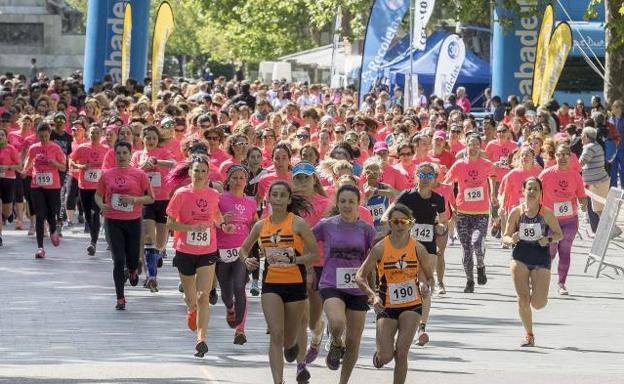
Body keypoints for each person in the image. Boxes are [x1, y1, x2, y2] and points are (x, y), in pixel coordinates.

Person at [239, 181, 320, 384]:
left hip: (295, 284)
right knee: (276, 334)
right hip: (271, 284)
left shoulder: (298, 223)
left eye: (282, 195)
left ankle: (292, 345)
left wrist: (295, 259)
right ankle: (278, 381)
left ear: (288, 199)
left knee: (288, 338)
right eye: (274, 195)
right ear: (269, 199)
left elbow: (315, 254)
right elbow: (243, 249)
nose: (278, 199)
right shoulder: (261, 225)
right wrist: (246, 260)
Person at [355, 203, 432, 384]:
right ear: (389, 224)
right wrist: (372, 295)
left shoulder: (418, 248)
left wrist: (425, 285)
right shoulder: (380, 248)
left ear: (410, 224)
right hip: (386, 305)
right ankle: (379, 358)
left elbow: (428, 276)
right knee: (387, 356)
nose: (399, 225)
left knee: (402, 352)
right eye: (395, 222)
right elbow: (359, 276)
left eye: (403, 221)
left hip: (412, 304)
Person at [166, 155, 232, 357]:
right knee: (191, 297)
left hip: (207, 250)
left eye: (204, 171)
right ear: (190, 172)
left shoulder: (213, 194)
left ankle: (201, 339)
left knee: (204, 296)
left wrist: (223, 224)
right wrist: (190, 227)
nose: (200, 174)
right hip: (185, 250)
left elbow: (215, 214)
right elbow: (170, 224)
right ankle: (191, 309)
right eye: (197, 170)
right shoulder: (181, 194)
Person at [312, 184, 376, 383]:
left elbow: (372, 262)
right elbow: (305, 240)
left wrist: (373, 292)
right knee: (338, 323)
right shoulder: (326, 225)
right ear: (337, 203)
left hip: (358, 288)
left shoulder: (367, 230)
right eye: (343, 201)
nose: (347, 206)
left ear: (359, 204)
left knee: (354, 341)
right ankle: (335, 341)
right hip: (331, 283)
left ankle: (343, 381)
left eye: (351, 202)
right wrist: (306, 265)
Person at [503, 177, 563, 347]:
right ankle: (529, 334)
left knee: (538, 303)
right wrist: (511, 239)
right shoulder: (516, 212)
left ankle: (536, 293)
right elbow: (505, 237)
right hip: (520, 256)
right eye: (529, 188)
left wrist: (548, 238)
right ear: (523, 191)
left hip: (540, 258)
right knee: (522, 299)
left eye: (535, 189)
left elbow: (559, 235)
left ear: (540, 193)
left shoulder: (546, 213)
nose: (531, 192)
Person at [95, 142, 154, 310]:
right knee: (118, 259)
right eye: (118, 153)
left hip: (133, 220)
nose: (121, 156)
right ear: (114, 155)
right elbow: (98, 195)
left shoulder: (139, 174)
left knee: (133, 258)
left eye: (124, 153)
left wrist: (134, 200)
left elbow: (151, 198)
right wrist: (101, 205)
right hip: (113, 220)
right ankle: (120, 297)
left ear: (130, 155)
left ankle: (134, 269)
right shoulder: (107, 174)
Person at [395, 162, 445, 346]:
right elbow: (389, 217)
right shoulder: (406, 197)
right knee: (406, 284)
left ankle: (422, 328)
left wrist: (440, 227)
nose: (425, 179)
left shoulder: (438, 199)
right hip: (405, 247)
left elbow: (443, 222)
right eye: (421, 175)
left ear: (434, 178)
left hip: (428, 248)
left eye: (429, 175)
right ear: (415, 176)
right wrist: (404, 223)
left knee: (424, 286)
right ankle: (403, 321)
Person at [444, 134, 496, 293]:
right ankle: (469, 280)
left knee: (477, 242)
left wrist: (493, 194)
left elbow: (493, 176)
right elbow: (447, 183)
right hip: (462, 212)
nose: (472, 147)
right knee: (466, 248)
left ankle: (480, 264)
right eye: (470, 144)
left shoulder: (486, 164)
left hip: (481, 212)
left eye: (476, 144)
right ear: (465, 146)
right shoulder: (459, 165)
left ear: (480, 147)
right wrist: (449, 205)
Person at [216, 165, 258, 345]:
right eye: (234, 177)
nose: (238, 181)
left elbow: (255, 225)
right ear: (228, 180)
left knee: (240, 286)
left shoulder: (251, 202)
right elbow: (213, 219)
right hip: (222, 251)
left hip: (242, 252)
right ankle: (230, 307)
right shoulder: (219, 199)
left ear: (246, 181)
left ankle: (240, 329)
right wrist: (222, 221)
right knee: (226, 292)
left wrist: (260, 243)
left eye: (242, 177)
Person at [131, 125, 176, 292]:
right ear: (142, 138)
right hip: (146, 200)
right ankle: (152, 276)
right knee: (149, 236)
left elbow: (174, 164)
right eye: (148, 137)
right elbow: (131, 172)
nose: (150, 141)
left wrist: (157, 162)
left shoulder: (163, 152)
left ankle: (154, 257)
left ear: (158, 140)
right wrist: (143, 166)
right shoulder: (137, 155)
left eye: (154, 138)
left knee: (161, 242)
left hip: (163, 199)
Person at [539, 143, 588, 295]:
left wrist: (584, 206)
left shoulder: (575, 176)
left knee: (565, 250)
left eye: (566, 154)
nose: (563, 157)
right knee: (551, 250)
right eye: (559, 154)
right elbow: (534, 191)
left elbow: (581, 195)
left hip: (569, 220)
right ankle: (541, 279)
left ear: (571, 157)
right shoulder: (546, 174)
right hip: (550, 220)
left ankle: (561, 283)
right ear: (555, 157)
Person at [23, 122, 66, 258]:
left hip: (52, 186)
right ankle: (40, 248)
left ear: (49, 134)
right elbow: (28, 161)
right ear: (37, 135)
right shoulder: (34, 148)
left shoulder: (56, 148)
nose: (44, 139)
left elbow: (63, 167)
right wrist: (25, 170)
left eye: (46, 136)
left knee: (51, 212)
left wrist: (55, 164)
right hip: (37, 185)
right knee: (40, 216)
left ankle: (53, 230)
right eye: (41, 136)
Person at [68, 123, 108, 255]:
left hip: (99, 188)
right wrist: (80, 167)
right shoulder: (82, 147)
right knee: (88, 215)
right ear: (88, 134)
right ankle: (93, 236)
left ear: (101, 134)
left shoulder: (106, 149)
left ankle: (93, 242)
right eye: (92, 132)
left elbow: (112, 165)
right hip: (84, 186)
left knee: (94, 213)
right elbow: (71, 160)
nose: (94, 135)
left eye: (97, 132)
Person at [579, 127, 611, 233]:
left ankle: (612, 230)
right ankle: (610, 230)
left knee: (599, 209)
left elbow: (581, 163)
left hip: (598, 182)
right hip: (600, 181)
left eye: (582, 135)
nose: (581, 137)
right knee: (599, 209)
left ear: (587, 137)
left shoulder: (589, 147)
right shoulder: (596, 146)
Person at [0, 127, 21, 246]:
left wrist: (7, 167)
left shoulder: (11, 149)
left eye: (2, 135)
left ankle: (8, 214)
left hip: (8, 180)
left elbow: (19, 165)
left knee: (6, 212)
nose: (0, 137)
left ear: (6, 137)